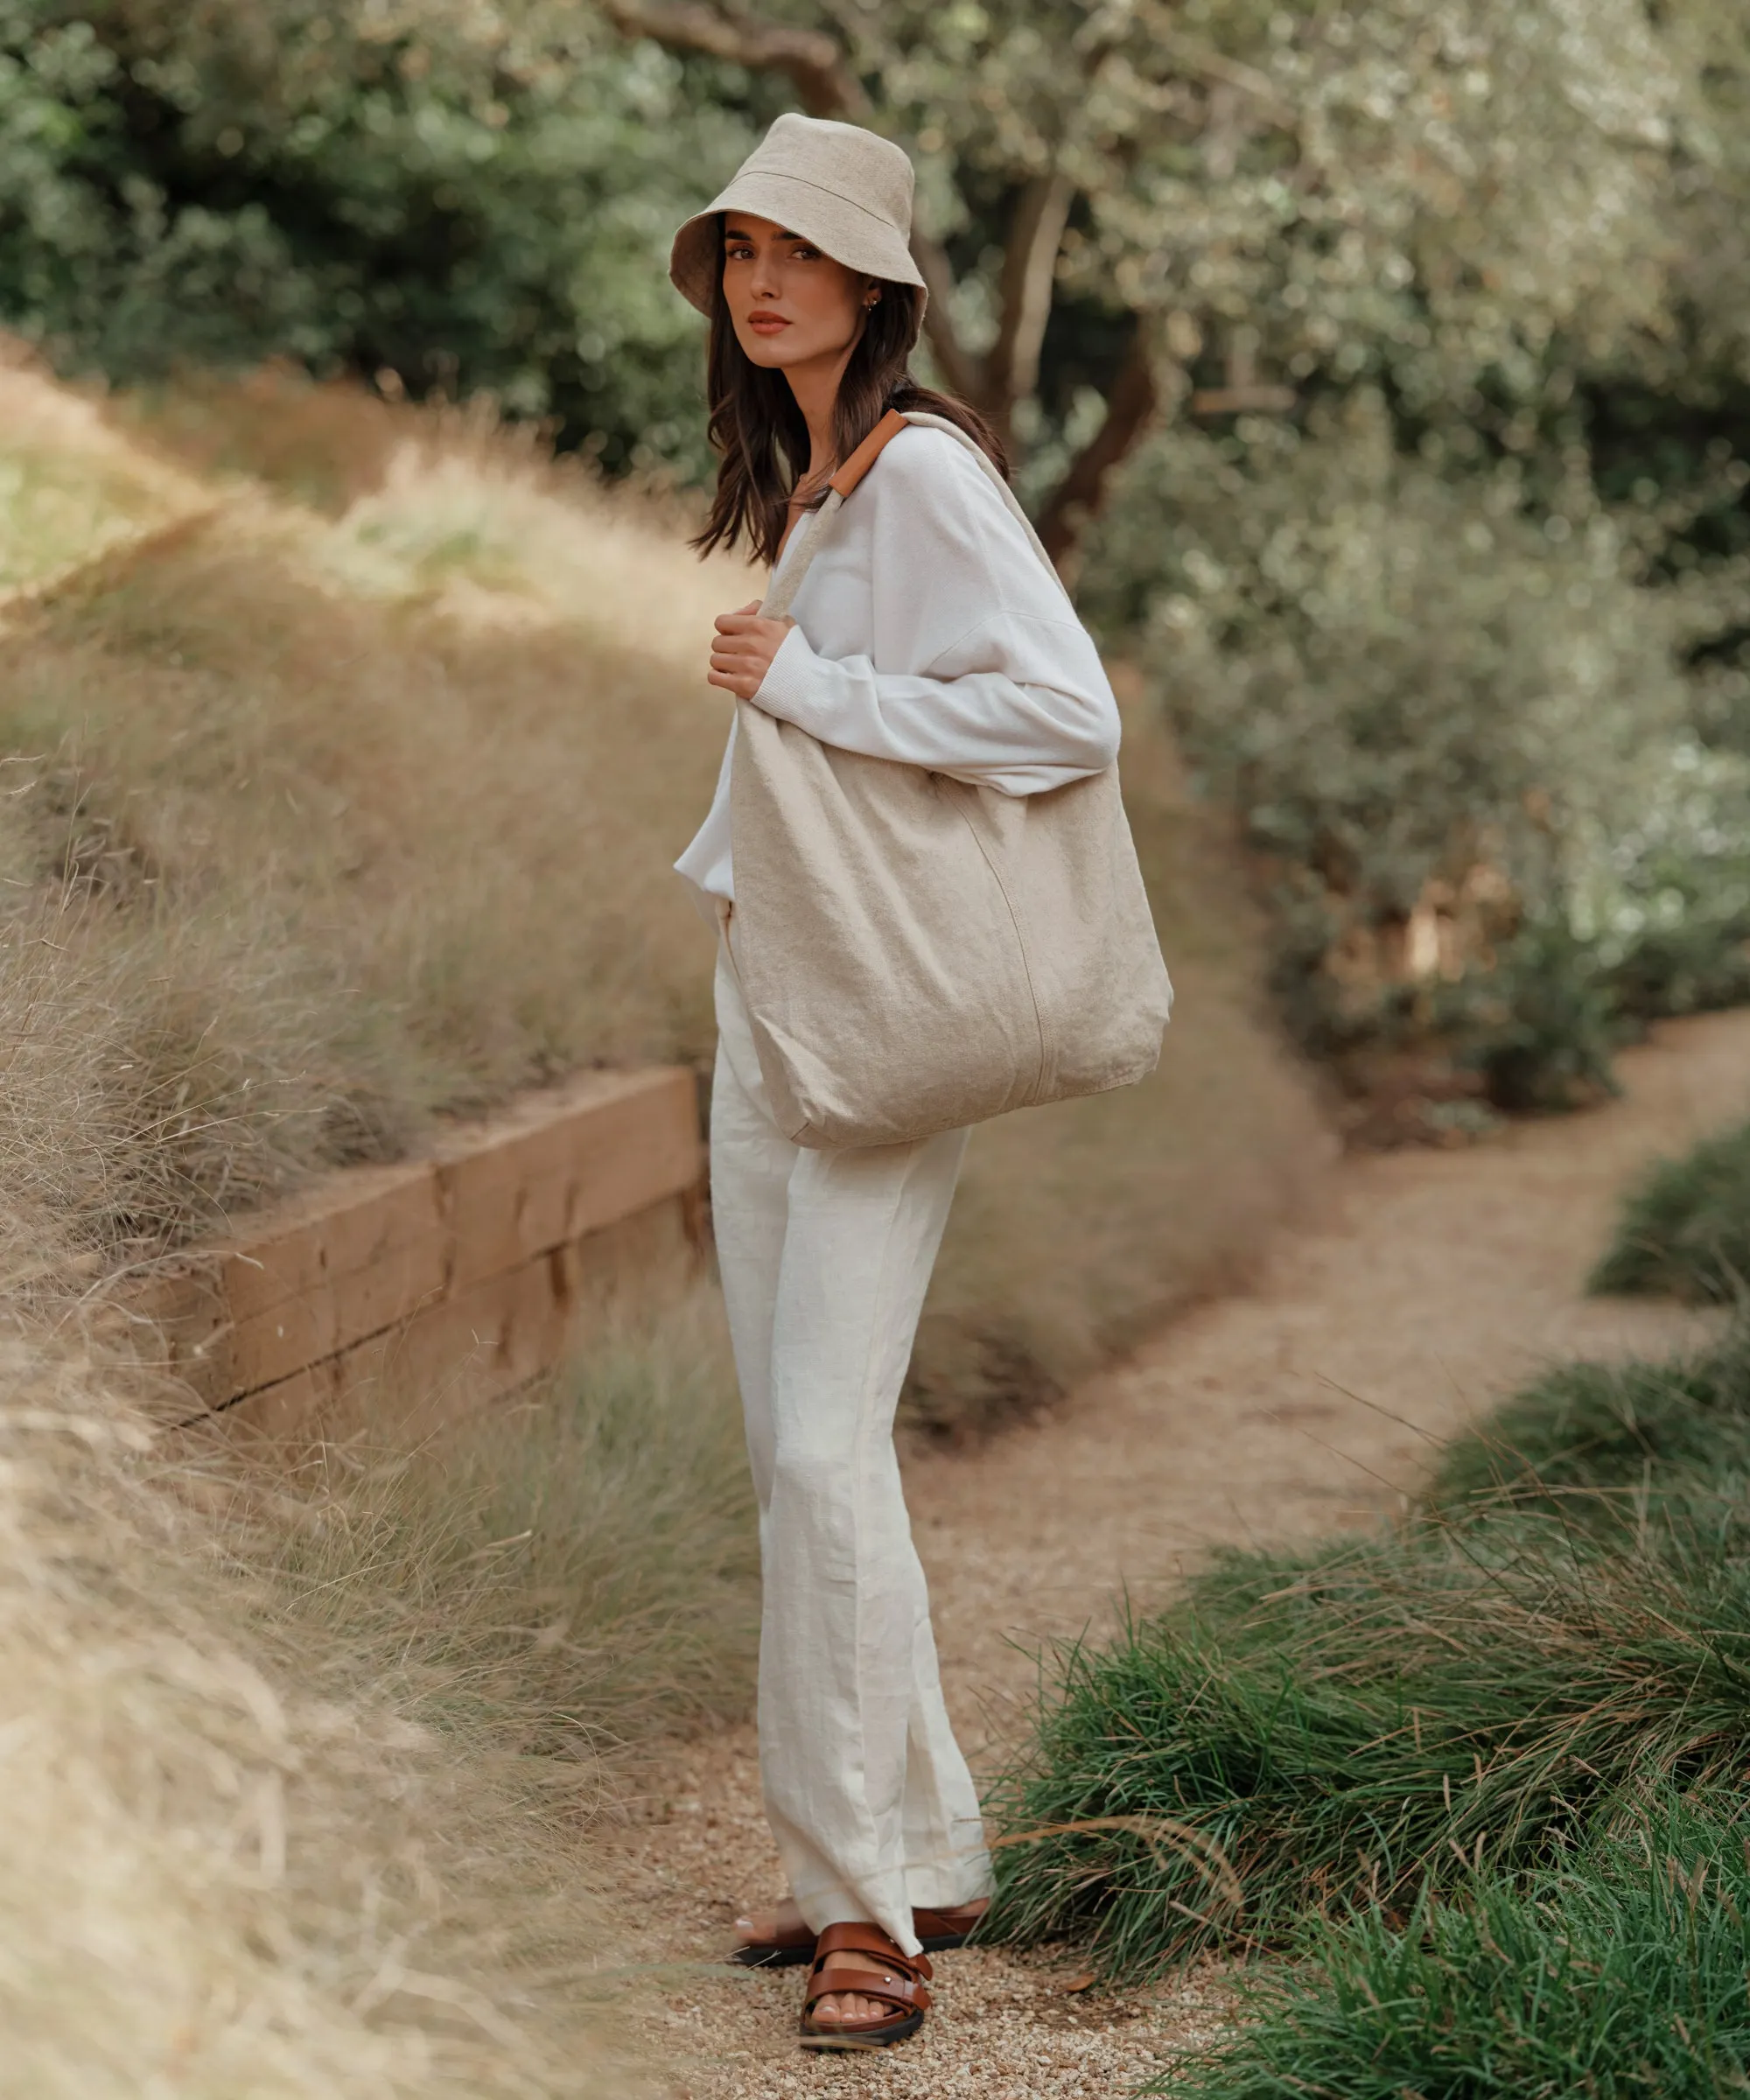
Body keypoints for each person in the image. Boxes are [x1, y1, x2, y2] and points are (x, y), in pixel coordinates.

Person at [668, 112, 1122, 2049]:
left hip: (870, 1024)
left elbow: (1062, 710)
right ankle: (916, 1844)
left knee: (820, 1450)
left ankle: (868, 1920)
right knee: (797, 1445)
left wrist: (805, 684)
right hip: (777, 999)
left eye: (799, 251)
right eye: (738, 254)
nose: (762, 281)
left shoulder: (926, 474)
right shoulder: (826, 483)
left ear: (877, 283)